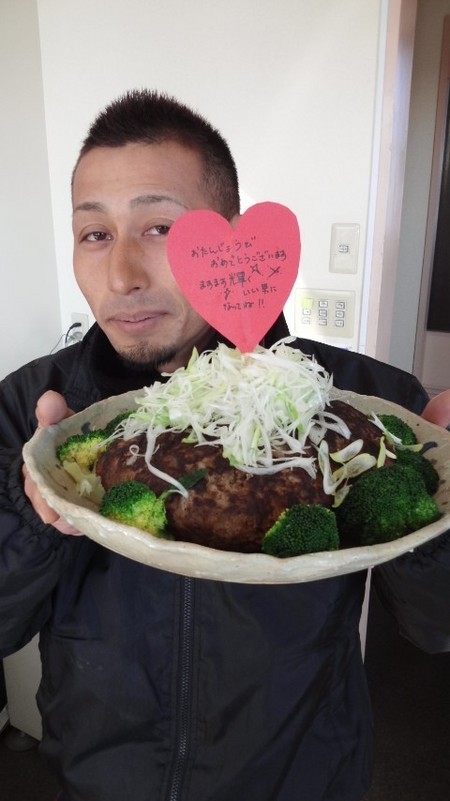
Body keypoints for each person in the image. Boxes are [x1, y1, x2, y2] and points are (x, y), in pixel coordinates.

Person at [1, 89, 449, 801]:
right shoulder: (35, 410)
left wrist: (433, 517)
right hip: (96, 782)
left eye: (159, 228)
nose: (122, 276)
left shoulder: (365, 405)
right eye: (95, 234)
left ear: (232, 243)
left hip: (301, 780)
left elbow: (437, 626)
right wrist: (37, 506)